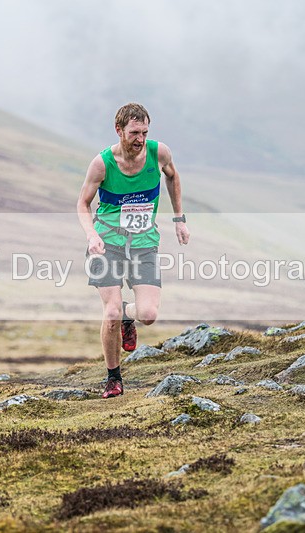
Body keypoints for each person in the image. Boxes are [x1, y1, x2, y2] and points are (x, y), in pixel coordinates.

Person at [77, 102, 190, 399]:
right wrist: (91, 235)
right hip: (107, 243)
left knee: (149, 314)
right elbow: (82, 204)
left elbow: (173, 176)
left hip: (143, 243)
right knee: (110, 312)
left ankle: (130, 315)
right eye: (134, 132)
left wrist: (179, 219)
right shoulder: (102, 164)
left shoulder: (158, 153)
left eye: (144, 132)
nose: (140, 139)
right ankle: (113, 378)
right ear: (119, 131)